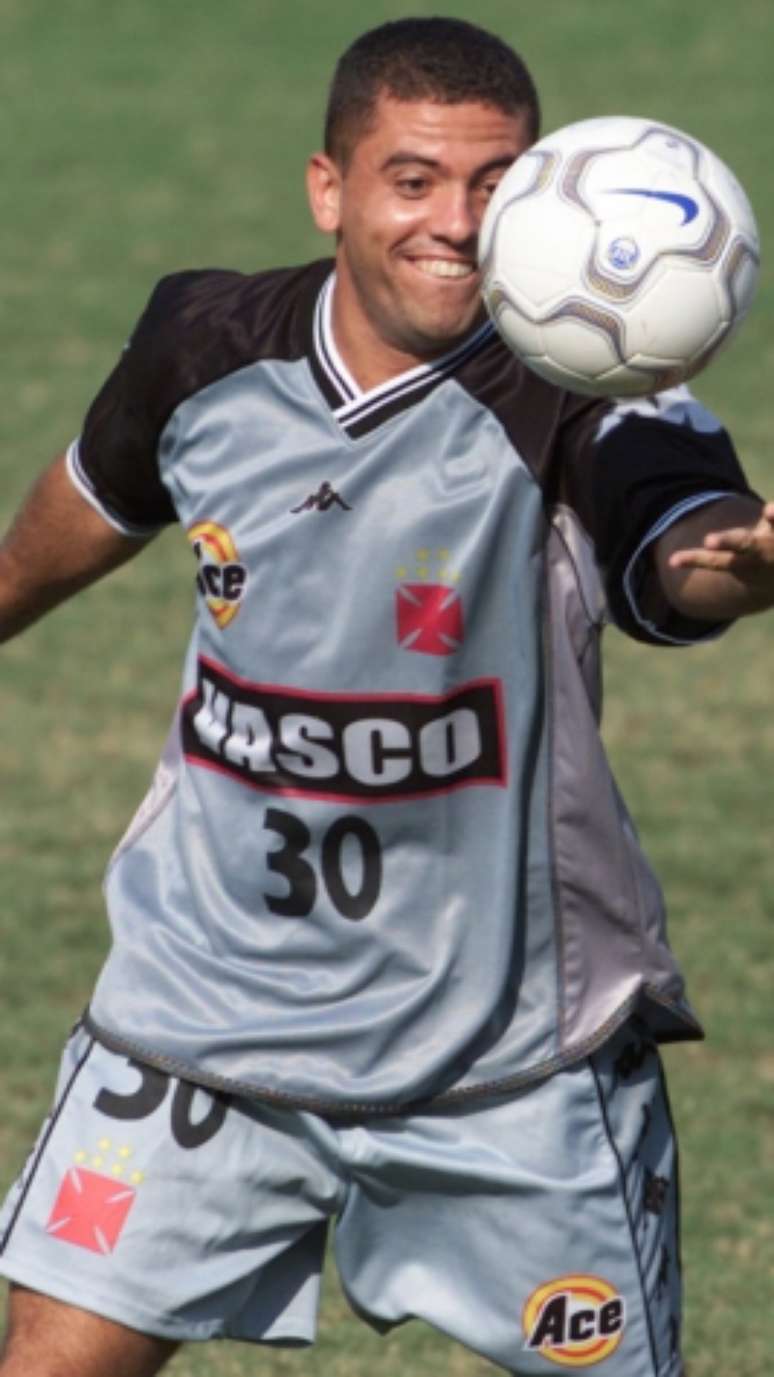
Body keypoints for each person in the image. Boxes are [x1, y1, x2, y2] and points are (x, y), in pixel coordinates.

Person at [0, 16, 772, 1377]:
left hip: (507, 1065)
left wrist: (730, 565)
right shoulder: (202, 343)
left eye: (492, 184)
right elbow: (101, 493)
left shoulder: (593, 397)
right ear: (329, 188)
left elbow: (676, 542)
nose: (455, 224)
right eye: (412, 179)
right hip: (204, 1022)